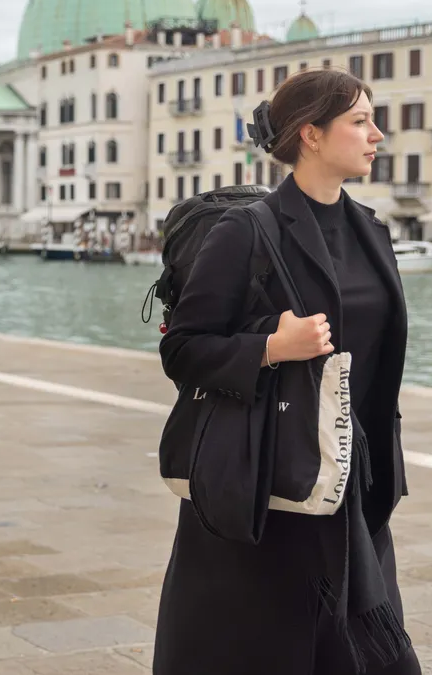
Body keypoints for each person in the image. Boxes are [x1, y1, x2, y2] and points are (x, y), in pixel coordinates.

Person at [155, 68, 417, 675]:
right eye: (360, 121)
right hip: (273, 488)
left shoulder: (372, 230)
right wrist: (270, 347)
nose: (377, 134)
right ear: (311, 135)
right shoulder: (245, 230)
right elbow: (184, 349)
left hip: (357, 482)